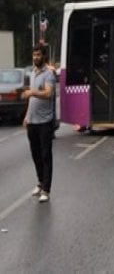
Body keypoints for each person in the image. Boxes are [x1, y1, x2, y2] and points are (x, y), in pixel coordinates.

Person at [22, 43, 57, 202]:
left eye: (38, 54)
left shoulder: (48, 74)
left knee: (45, 155)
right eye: (34, 54)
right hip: (32, 121)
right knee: (35, 154)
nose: (36, 57)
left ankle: (46, 190)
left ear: (44, 56)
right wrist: (26, 116)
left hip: (45, 122)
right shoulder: (33, 73)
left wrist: (33, 92)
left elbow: (49, 94)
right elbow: (31, 100)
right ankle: (40, 182)